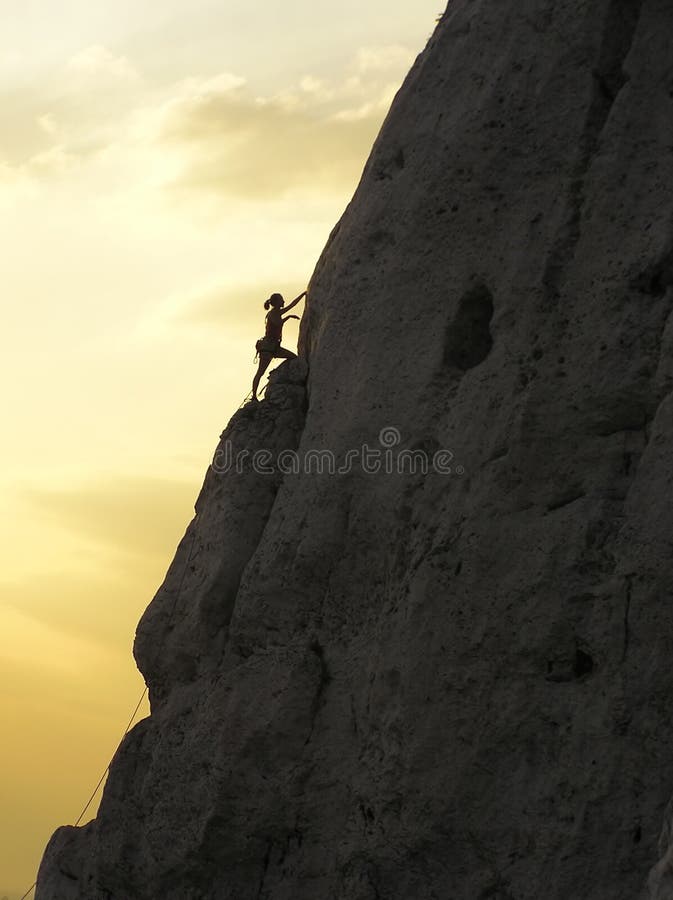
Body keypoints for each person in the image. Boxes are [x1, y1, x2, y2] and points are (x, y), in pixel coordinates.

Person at [251, 290, 306, 400]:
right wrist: (288, 317)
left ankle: (277, 375)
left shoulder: (277, 312)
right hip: (267, 348)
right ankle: (254, 396)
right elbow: (278, 323)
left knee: (293, 357)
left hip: (274, 347)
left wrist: (303, 294)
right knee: (260, 372)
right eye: (281, 300)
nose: (284, 301)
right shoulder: (272, 313)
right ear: (276, 302)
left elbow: (292, 304)